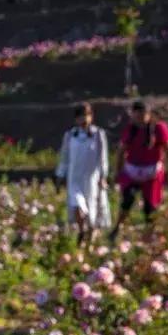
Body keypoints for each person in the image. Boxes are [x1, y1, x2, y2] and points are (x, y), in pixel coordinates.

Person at [109, 100, 168, 242]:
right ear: (133, 115)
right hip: (132, 172)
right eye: (137, 114)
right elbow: (121, 152)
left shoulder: (159, 128)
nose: (140, 118)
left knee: (150, 207)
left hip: (151, 173)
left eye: (143, 114)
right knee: (127, 200)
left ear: (149, 114)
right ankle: (117, 228)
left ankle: (149, 236)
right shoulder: (130, 129)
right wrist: (117, 171)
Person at [55, 102, 110, 246]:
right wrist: (60, 175)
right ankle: (81, 231)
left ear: (91, 117)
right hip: (75, 178)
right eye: (81, 116)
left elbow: (103, 158)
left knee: (92, 209)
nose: (84, 119)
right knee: (77, 205)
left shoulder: (98, 135)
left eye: (87, 115)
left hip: (92, 179)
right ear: (76, 119)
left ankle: (90, 240)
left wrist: (103, 176)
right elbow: (64, 157)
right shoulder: (70, 136)